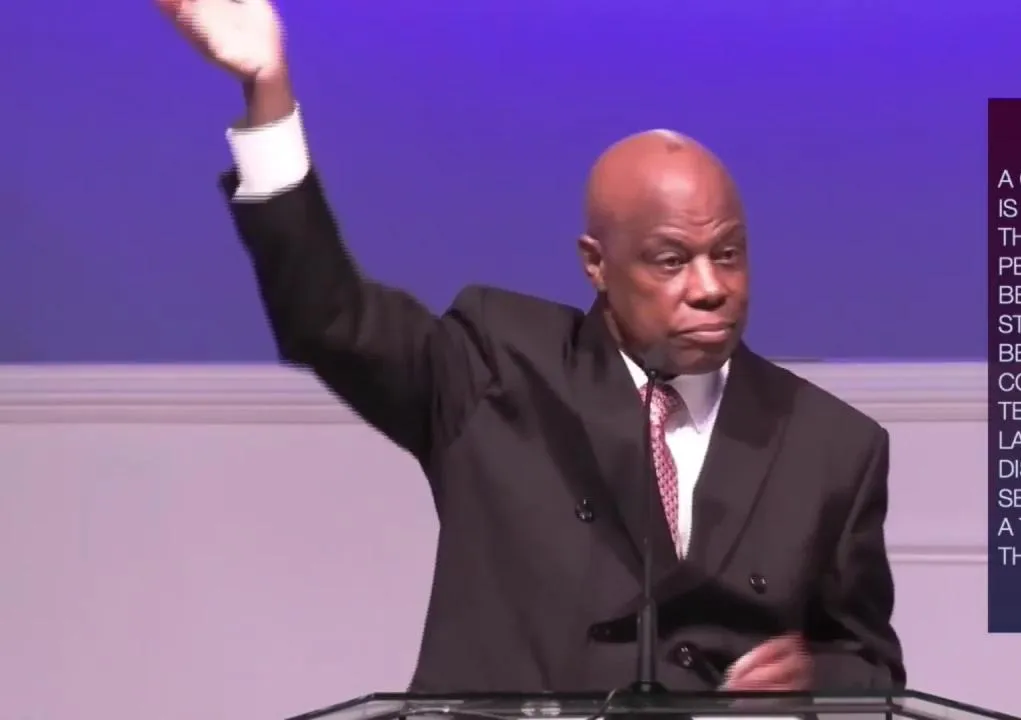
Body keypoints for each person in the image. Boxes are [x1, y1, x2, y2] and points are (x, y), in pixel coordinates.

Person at [157, 0, 906, 694]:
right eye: (672, 260)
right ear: (596, 265)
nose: (710, 288)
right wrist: (268, 88)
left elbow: (872, 665)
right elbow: (331, 317)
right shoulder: (497, 369)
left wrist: (814, 677)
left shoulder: (830, 447)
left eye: (730, 255)